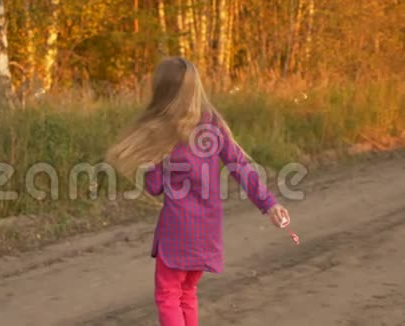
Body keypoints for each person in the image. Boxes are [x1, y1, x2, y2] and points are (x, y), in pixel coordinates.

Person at [106, 57, 291, 326]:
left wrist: (150, 163)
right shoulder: (213, 124)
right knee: (187, 293)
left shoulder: (163, 132)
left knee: (168, 294)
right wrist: (269, 204)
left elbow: (155, 187)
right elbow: (240, 166)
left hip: (178, 231)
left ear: (163, 91)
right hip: (207, 231)